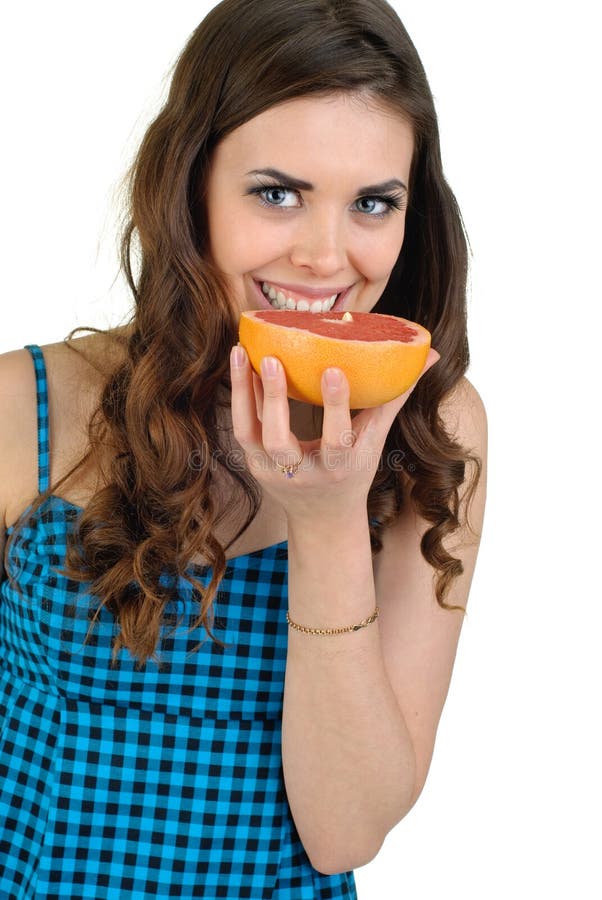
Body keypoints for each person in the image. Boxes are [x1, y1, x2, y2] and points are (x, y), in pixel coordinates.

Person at [0, 0, 487, 896]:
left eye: (373, 203)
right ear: (191, 186)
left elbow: (344, 831)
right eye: (277, 193)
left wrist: (331, 519)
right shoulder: (24, 407)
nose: (325, 255)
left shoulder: (434, 425)